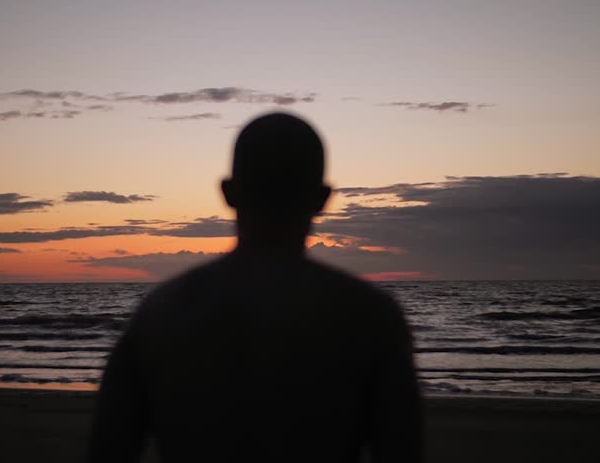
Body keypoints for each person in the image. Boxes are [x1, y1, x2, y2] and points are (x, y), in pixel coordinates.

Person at [90, 112, 422, 462]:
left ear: (228, 192)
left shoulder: (160, 313)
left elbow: (109, 448)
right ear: (323, 198)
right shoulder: (369, 317)